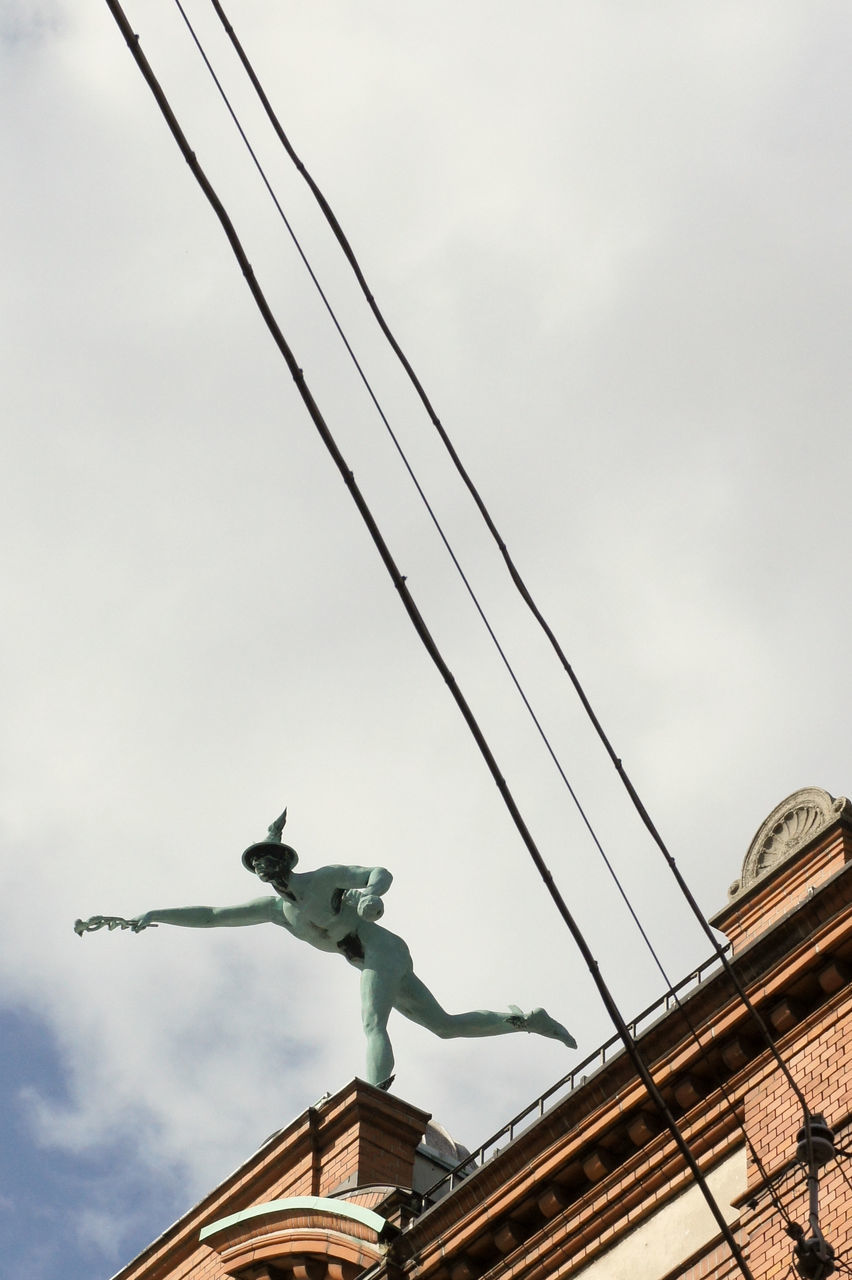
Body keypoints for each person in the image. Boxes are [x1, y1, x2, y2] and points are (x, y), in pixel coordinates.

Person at [119, 811, 577, 1087]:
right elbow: (213, 915)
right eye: (254, 862)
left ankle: (375, 1097)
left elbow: (378, 872)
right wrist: (156, 913)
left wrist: (372, 896)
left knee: (371, 1022)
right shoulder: (277, 910)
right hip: (366, 958)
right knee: (444, 1027)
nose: (260, 866)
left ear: (281, 860)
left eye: (265, 858)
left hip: (382, 951)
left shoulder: (322, 879)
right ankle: (524, 1021)